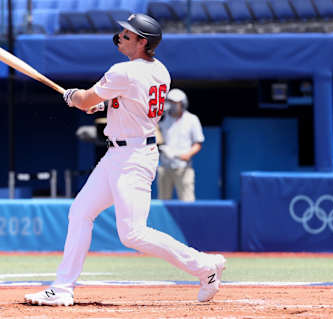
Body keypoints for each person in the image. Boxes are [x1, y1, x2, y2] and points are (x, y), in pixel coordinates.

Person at [24, 13, 225, 307]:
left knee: (132, 234)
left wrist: (74, 97)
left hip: (132, 157)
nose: (120, 37)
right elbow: (129, 100)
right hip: (119, 154)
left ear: (143, 42)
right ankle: (63, 288)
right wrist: (102, 103)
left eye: (128, 34)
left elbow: (85, 99)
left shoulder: (124, 71)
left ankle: (204, 266)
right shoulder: (160, 70)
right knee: (80, 212)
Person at [157, 88, 204, 202]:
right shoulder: (161, 118)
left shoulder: (192, 119)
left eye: (175, 102)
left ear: (182, 103)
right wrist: (161, 146)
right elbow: (155, 135)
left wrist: (187, 155)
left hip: (183, 168)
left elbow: (198, 142)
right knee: (163, 203)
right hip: (164, 167)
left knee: (188, 201)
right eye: (170, 102)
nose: (172, 105)